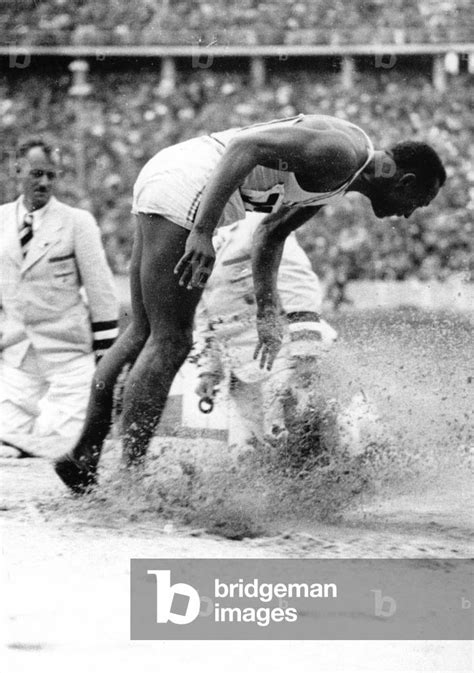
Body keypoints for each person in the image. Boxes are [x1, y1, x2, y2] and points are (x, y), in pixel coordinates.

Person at [54, 113, 445, 493]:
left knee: (142, 331)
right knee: (170, 341)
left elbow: (271, 234)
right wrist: (203, 231)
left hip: (172, 174)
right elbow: (247, 145)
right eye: (417, 202)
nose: (408, 214)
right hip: (189, 187)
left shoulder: (343, 171)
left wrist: (268, 308)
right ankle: (129, 481)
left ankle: (86, 452)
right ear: (405, 180)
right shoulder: (342, 154)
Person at [0, 139, 119, 454]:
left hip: (69, 356)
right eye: (37, 173)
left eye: (51, 176)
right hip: (17, 356)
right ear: (16, 170)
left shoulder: (77, 222)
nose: (44, 182)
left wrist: (105, 359)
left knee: (65, 446)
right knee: (6, 445)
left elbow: (102, 293)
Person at [194, 213, 337, 452]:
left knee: (301, 437)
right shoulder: (197, 238)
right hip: (240, 370)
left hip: (283, 352)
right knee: (248, 453)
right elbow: (203, 313)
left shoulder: (260, 224)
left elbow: (298, 286)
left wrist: (305, 357)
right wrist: (209, 370)